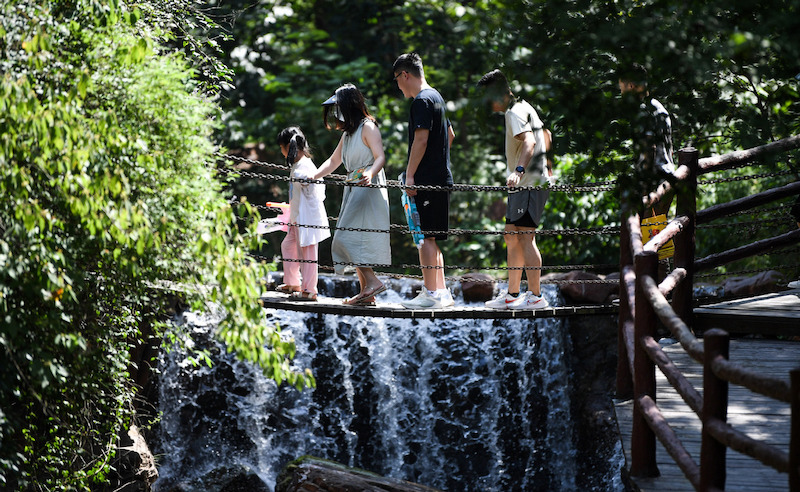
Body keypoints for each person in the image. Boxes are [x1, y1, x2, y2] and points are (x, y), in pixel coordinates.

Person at [477, 69, 552, 310]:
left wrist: (518, 171)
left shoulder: (514, 112)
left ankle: (535, 296)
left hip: (528, 184)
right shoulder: (524, 106)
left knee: (526, 238)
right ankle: (511, 293)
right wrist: (548, 167)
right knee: (511, 235)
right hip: (527, 184)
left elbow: (530, 141)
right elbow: (546, 134)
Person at [314, 84, 391, 306]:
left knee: (345, 237)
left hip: (368, 186)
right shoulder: (349, 133)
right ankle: (367, 293)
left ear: (348, 106)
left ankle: (373, 282)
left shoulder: (368, 127)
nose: (335, 113)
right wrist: (314, 176)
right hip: (353, 185)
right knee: (356, 237)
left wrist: (369, 173)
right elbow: (334, 161)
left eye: (338, 107)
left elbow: (380, 157)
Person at [392, 52, 456, 309]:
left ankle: (430, 293)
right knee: (432, 237)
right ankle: (440, 292)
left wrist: (410, 175)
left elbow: (421, 139)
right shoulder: (438, 97)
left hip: (425, 181)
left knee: (424, 237)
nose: (398, 86)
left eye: (397, 79)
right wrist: (439, 162)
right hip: (441, 177)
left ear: (405, 75)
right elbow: (450, 134)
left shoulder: (421, 100)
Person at [275, 126, 330, 301]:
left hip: (307, 219)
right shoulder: (297, 165)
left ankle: (309, 291)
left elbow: (318, 189)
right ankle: (293, 282)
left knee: (308, 254)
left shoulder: (305, 166)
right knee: (288, 246)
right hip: (297, 218)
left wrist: (308, 183)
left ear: (287, 147)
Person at [617, 63, 675, 217]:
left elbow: (650, 148)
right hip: (668, 178)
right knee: (659, 232)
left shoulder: (642, 112)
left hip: (654, 185)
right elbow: (670, 147)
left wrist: (644, 191)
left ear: (630, 86)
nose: (621, 93)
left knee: (648, 236)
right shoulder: (659, 107)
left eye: (621, 89)